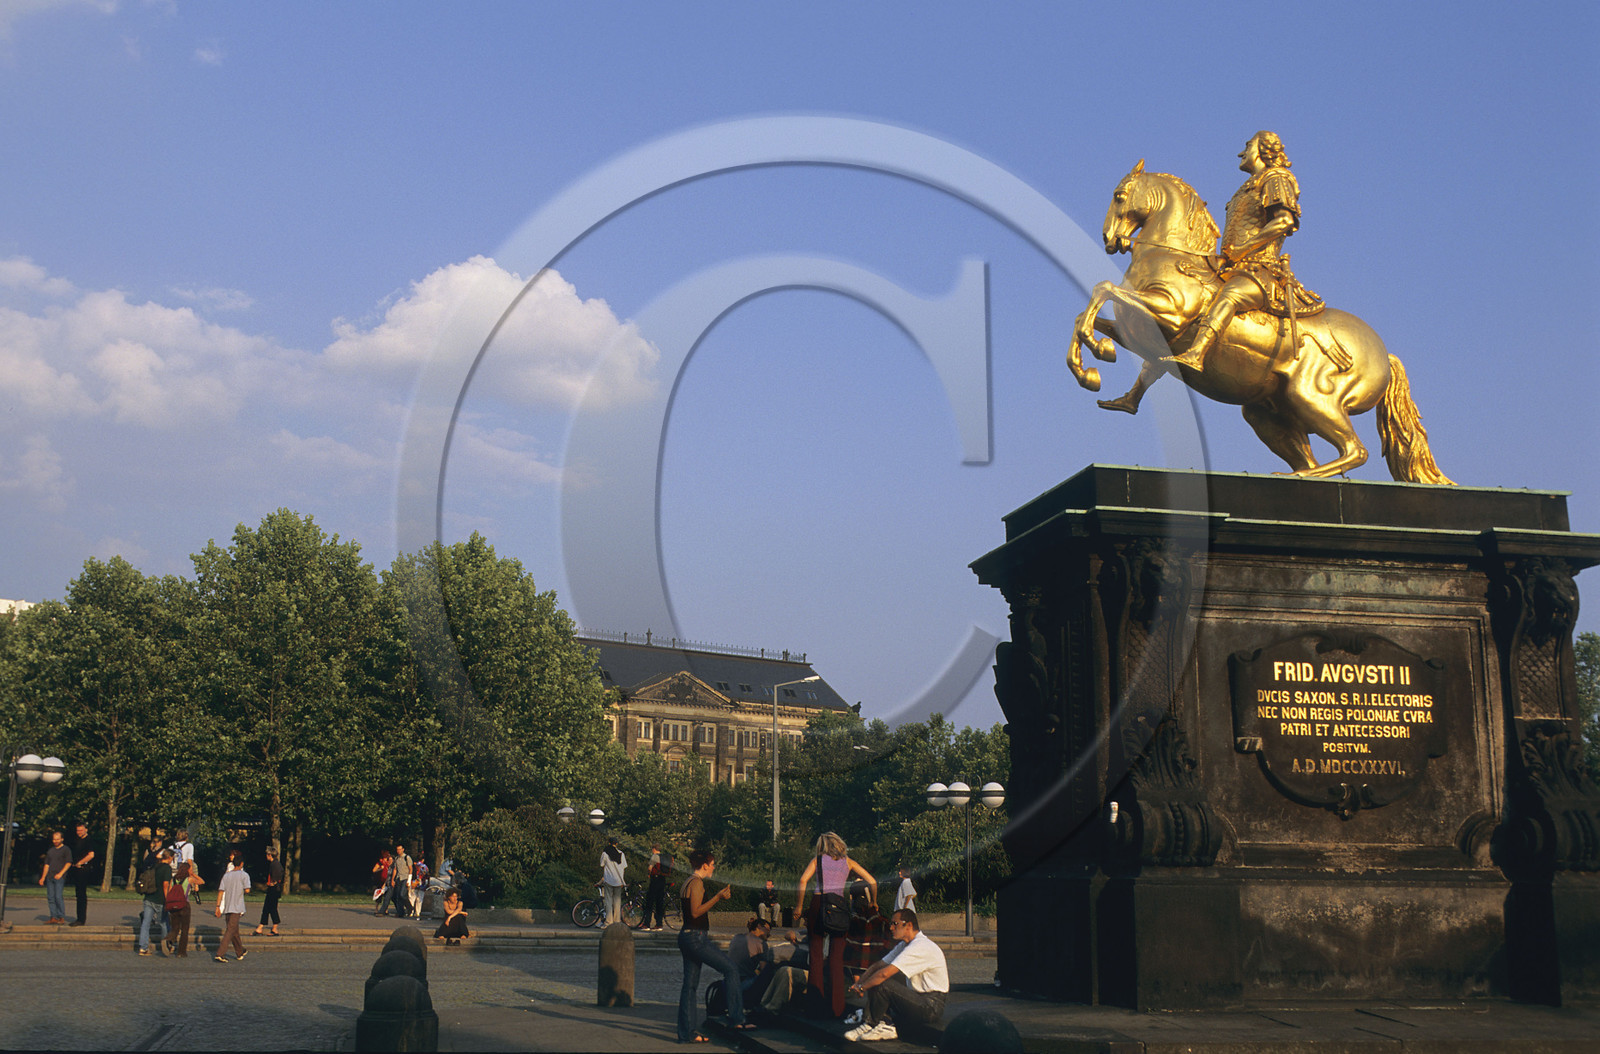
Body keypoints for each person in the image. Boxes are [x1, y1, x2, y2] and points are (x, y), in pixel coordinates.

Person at [1164, 130, 1318, 373]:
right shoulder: (1249, 186)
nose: (1241, 153)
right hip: (1235, 266)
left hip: (1261, 270)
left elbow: (1284, 221)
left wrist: (1244, 249)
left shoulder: (1276, 178)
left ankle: (1196, 354)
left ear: (1263, 150)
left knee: (1231, 295)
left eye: (1248, 146)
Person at [796, 831, 876, 1019]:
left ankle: (815, 1007)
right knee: (836, 959)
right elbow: (872, 881)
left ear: (822, 845)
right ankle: (837, 1008)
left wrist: (799, 906)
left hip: (818, 904)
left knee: (816, 955)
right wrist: (873, 902)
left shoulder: (817, 860)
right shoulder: (849, 862)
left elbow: (802, 880)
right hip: (839, 907)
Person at [676, 848, 752, 1043]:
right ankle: (736, 1019)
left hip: (687, 936)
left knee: (690, 986)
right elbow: (695, 912)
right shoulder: (697, 883)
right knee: (731, 969)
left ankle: (687, 1033)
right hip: (696, 937)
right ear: (704, 865)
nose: (713, 867)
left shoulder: (687, 881)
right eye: (712, 864)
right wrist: (717, 898)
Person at [843, 909, 949, 1043]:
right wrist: (859, 983)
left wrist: (862, 988)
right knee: (879, 976)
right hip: (916, 998)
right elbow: (878, 966)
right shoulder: (904, 945)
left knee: (883, 980)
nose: (891, 928)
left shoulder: (921, 946)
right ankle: (881, 1022)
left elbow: (884, 974)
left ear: (908, 925)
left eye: (895, 924)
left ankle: (874, 1024)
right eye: (891, 924)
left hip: (931, 1007)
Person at [730, 916, 807, 1013]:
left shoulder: (737, 937)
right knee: (770, 972)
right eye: (768, 930)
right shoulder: (761, 944)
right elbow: (763, 970)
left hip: (729, 981)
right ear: (759, 926)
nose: (769, 934)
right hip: (744, 982)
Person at [214, 850, 251, 963]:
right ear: (242, 864)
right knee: (230, 930)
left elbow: (221, 891)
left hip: (228, 905)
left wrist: (218, 906)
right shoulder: (244, 875)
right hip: (237, 906)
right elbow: (247, 890)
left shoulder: (226, 875)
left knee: (234, 930)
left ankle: (240, 951)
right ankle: (220, 953)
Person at [137, 847, 174, 956]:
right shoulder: (167, 868)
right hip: (160, 899)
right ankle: (166, 945)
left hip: (149, 897)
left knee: (146, 923)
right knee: (164, 923)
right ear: (170, 857)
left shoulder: (154, 865)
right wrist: (167, 899)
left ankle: (143, 948)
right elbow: (166, 885)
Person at [39, 830, 71, 924]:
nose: (55, 841)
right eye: (54, 839)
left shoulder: (66, 850)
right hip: (50, 876)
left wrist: (61, 874)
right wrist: (43, 877)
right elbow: (47, 865)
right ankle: (53, 917)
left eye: (57, 839)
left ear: (62, 839)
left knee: (58, 897)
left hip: (59, 877)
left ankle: (61, 917)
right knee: (51, 897)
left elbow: (68, 863)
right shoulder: (50, 851)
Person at [68, 822, 95, 926]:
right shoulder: (77, 840)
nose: (79, 832)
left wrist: (80, 863)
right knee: (78, 893)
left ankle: (81, 919)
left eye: (81, 830)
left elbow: (91, 855)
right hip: (77, 869)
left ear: (86, 830)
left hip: (84, 869)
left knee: (81, 895)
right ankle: (79, 917)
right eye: (78, 830)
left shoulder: (89, 840)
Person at [166, 861, 194, 958]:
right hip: (184, 905)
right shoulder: (189, 879)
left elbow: (169, 891)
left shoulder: (173, 879)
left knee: (175, 927)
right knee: (184, 929)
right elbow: (201, 881)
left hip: (174, 905)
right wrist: (193, 874)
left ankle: (168, 939)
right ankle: (181, 952)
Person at [254, 846, 284, 936]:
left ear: (270, 855)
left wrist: (273, 882)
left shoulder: (275, 864)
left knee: (271, 908)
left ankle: (274, 928)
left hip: (274, 889)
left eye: (267, 854)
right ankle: (261, 927)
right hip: (273, 889)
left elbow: (279, 875)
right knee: (267, 908)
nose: (266, 856)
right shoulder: (274, 863)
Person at [600, 837, 627, 926]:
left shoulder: (605, 853)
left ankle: (608, 921)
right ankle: (617, 921)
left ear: (609, 843)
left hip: (608, 879)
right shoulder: (621, 854)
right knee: (617, 902)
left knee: (608, 901)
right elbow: (624, 867)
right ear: (617, 844)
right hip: (618, 880)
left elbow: (601, 864)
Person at [641, 845, 668, 931]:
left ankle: (646, 924)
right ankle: (659, 924)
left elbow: (650, 868)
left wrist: (649, 874)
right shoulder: (664, 857)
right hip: (662, 880)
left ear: (654, 849)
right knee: (659, 902)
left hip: (655, 880)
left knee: (649, 902)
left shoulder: (654, 856)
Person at [389, 844, 413, 919]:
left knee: (402, 894)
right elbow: (395, 869)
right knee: (398, 895)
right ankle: (400, 912)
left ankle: (409, 907)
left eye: (400, 849)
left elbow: (410, 869)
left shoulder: (407, 857)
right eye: (397, 849)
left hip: (405, 877)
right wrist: (393, 879)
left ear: (403, 849)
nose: (398, 851)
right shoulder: (396, 858)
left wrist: (409, 880)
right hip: (399, 878)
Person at [372, 849, 393, 916]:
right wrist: (381, 868)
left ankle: (385, 909)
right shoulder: (380, 862)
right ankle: (376, 909)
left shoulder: (389, 862)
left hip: (387, 880)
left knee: (387, 895)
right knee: (379, 895)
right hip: (380, 880)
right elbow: (374, 870)